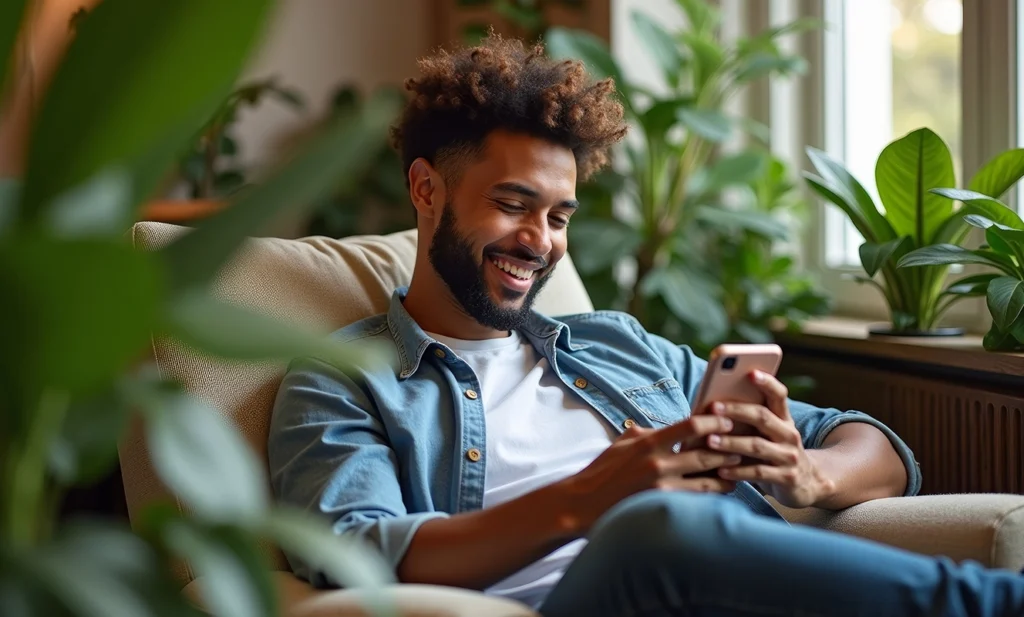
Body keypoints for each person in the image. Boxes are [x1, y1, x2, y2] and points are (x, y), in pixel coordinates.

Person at [268, 35, 1024, 617]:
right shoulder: (342, 375)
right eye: (511, 203)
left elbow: (876, 444)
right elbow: (356, 552)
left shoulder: (615, 345)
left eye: (558, 215)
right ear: (426, 188)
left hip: (726, 584)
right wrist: (592, 496)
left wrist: (808, 473)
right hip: (600, 592)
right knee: (651, 527)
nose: (541, 240)